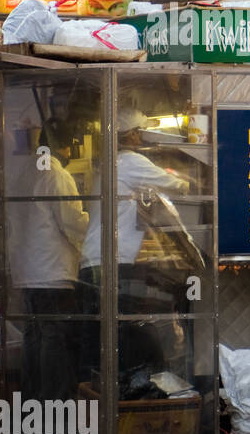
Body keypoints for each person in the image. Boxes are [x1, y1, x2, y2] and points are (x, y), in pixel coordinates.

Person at [78, 107, 190, 388]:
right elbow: (175, 185)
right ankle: (128, 389)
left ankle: (117, 389)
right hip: (110, 262)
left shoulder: (109, 165)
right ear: (131, 135)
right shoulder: (129, 162)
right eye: (138, 132)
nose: (141, 137)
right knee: (125, 328)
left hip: (96, 259)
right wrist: (192, 181)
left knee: (112, 331)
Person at [11, 118, 89, 402]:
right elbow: (72, 222)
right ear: (66, 146)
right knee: (54, 337)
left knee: (34, 336)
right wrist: (96, 229)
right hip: (52, 272)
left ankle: (32, 398)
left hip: (26, 269)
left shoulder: (23, 172)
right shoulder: (57, 175)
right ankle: (54, 401)